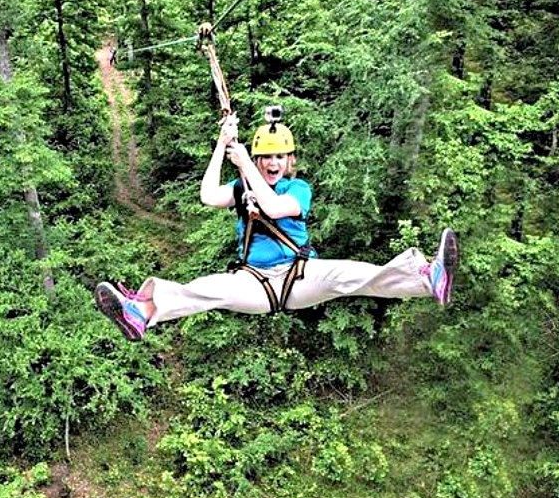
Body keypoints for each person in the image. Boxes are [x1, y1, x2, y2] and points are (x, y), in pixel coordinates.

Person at [94, 110, 459, 342]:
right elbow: (207, 195)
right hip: (253, 281)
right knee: (204, 289)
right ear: (258, 158)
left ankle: (428, 278)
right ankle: (141, 312)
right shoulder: (241, 188)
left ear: (289, 161)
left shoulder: (298, 189)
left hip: (299, 276)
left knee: (350, 275)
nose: (272, 162)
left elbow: (272, 205)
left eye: (279, 156)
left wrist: (245, 165)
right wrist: (222, 146)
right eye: (265, 156)